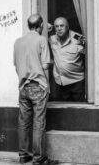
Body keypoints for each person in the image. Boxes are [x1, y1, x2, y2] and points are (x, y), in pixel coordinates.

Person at [13, 14, 57, 165]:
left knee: (23, 122)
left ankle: (23, 155)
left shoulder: (18, 42)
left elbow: (16, 67)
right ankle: (39, 159)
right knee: (38, 123)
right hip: (38, 86)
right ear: (41, 25)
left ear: (28, 25)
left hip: (23, 87)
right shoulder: (41, 40)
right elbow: (45, 66)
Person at [49, 17, 86, 101]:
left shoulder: (78, 39)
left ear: (68, 27)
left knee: (78, 108)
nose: (59, 29)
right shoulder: (52, 38)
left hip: (77, 81)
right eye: (56, 26)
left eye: (62, 26)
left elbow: (87, 55)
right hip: (61, 82)